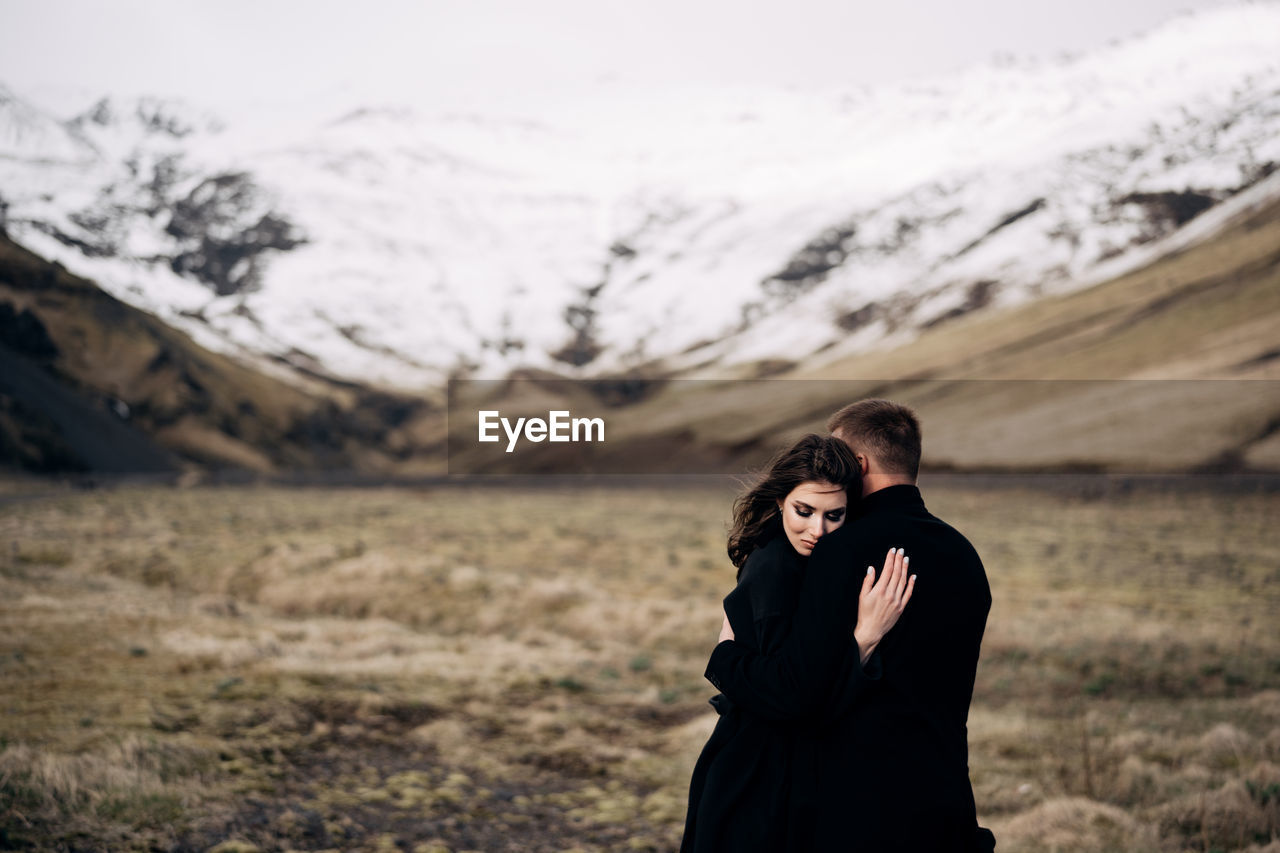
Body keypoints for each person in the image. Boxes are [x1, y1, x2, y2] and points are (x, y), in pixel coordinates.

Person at [704, 399, 996, 852]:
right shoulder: (965, 555)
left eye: (837, 454)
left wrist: (726, 655)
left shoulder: (838, 551)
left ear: (857, 464)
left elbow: (797, 690)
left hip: (852, 808)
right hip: (944, 801)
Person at [680, 433, 916, 853]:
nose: (817, 530)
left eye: (834, 515)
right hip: (754, 776)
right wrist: (864, 638)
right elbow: (792, 697)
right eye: (803, 511)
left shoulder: (818, 563)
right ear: (779, 502)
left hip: (781, 772)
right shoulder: (775, 568)